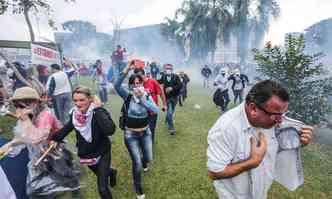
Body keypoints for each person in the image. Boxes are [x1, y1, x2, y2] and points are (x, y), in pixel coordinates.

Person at [207, 80, 314, 199]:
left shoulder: (271, 118)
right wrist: (253, 161)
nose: (281, 121)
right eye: (276, 115)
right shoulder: (226, 128)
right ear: (253, 109)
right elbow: (214, 173)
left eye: (283, 114)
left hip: (261, 192)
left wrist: (299, 141)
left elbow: (279, 145)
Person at [0, 86, 80, 198]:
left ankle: (77, 192)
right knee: (42, 185)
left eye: (25, 103)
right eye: (18, 105)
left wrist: (26, 121)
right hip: (41, 155)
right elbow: (23, 136)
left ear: (36, 102)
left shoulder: (45, 116)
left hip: (56, 153)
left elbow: (38, 138)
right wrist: (11, 144)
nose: (21, 108)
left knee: (66, 176)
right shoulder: (31, 116)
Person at [50, 86, 117, 199]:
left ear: (90, 99)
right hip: (87, 154)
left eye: (82, 100)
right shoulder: (75, 114)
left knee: (102, 189)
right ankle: (112, 172)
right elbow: (67, 128)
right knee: (102, 174)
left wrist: (98, 109)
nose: (78, 103)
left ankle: (108, 173)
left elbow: (110, 130)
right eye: (75, 100)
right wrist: (54, 138)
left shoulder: (99, 111)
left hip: (102, 151)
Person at [114, 62, 159, 199]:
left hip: (145, 132)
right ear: (130, 85)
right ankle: (138, 188)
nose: (136, 85)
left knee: (148, 158)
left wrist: (142, 99)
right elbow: (116, 85)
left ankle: (143, 160)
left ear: (142, 84)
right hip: (131, 134)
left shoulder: (147, 95)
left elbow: (156, 110)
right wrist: (126, 69)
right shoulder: (127, 95)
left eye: (139, 83)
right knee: (137, 163)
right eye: (134, 83)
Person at [134, 68, 167, 144]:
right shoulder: (136, 84)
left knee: (151, 129)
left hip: (152, 112)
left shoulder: (152, 81)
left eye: (140, 76)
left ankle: (149, 146)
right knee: (142, 130)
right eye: (137, 76)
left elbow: (161, 93)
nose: (138, 78)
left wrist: (164, 105)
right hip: (141, 113)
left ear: (143, 74)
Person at [158, 64, 182, 134]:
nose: (168, 70)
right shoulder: (164, 76)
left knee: (172, 111)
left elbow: (180, 85)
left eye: (170, 69)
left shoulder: (176, 76)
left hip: (174, 97)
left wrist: (172, 88)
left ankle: (167, 119)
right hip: (167, 97)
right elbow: (159, 81)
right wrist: (152, 80)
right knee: (170, 111)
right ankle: (171, 128)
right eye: (167, 69)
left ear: (172, 70)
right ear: (165, 70)